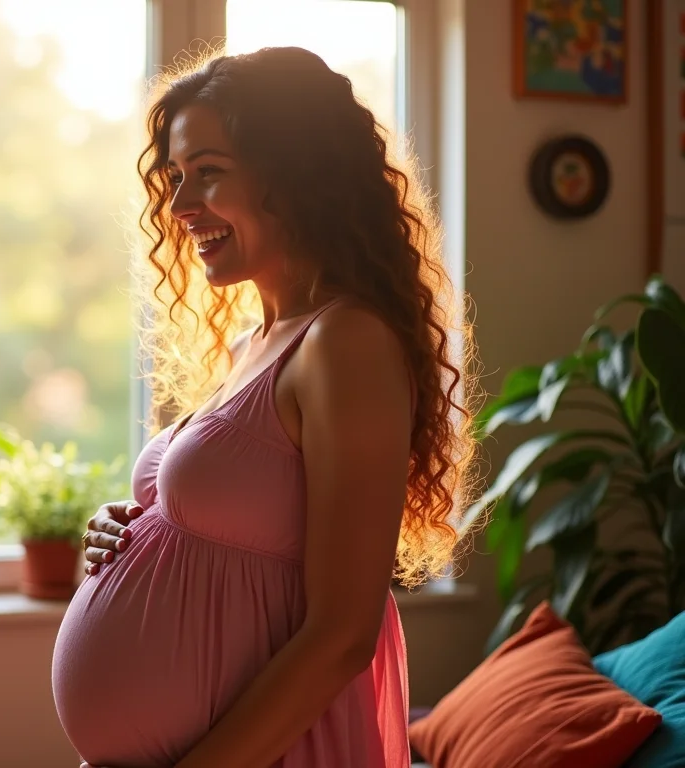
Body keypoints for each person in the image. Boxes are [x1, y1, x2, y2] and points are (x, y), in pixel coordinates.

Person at [50, 47, 476, 768]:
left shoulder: (347, 343)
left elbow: (343, 632)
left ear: (297, 175)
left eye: (209, 173)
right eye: (177, 177)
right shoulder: (257, 342)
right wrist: (124, 531)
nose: (182, 207)